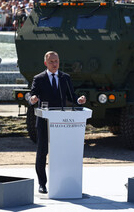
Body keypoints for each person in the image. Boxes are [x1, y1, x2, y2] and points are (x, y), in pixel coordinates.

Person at [29, 51, 86, 194]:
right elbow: (31, 94)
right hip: (44, 121)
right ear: (45, 63)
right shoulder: (39, 78)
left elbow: (72, 96)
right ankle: (42, 183)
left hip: (61, 122)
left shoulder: (65, 78)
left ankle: (61, 182)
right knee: (42, 152)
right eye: (51, 62)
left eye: (56, 61)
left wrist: (79, 100)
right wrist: (32, 99)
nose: (55, 64)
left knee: (60, 152)